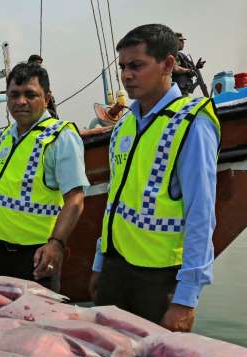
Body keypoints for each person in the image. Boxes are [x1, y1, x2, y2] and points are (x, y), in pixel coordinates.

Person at [89, 24, 220, 332]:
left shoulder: (191, 124)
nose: (126, 75)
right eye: (122, 67)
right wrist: (99, 262)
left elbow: (201, 214)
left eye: (137, 65)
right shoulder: (124, 126)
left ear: (168, 65)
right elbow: (114, 201)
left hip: (160, 280)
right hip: (115, 268)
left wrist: (186, 298)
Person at [0, 62, 87, 292]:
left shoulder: (60, 137)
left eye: (30, 94)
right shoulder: (6, 138)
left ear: (47, 98)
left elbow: (76, 198)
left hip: (38, 255)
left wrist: (56, 243)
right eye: (14, 95)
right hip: (3, 254)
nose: (21, 101)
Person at [172, 32, 206, 96]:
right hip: (177, 90)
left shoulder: (181, 55)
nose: (183, 43)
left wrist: (196, 67)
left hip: (184, 89)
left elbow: (190, 73)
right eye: (181, 41)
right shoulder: (172, 54)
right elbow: (175, 68)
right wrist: (187, 70)